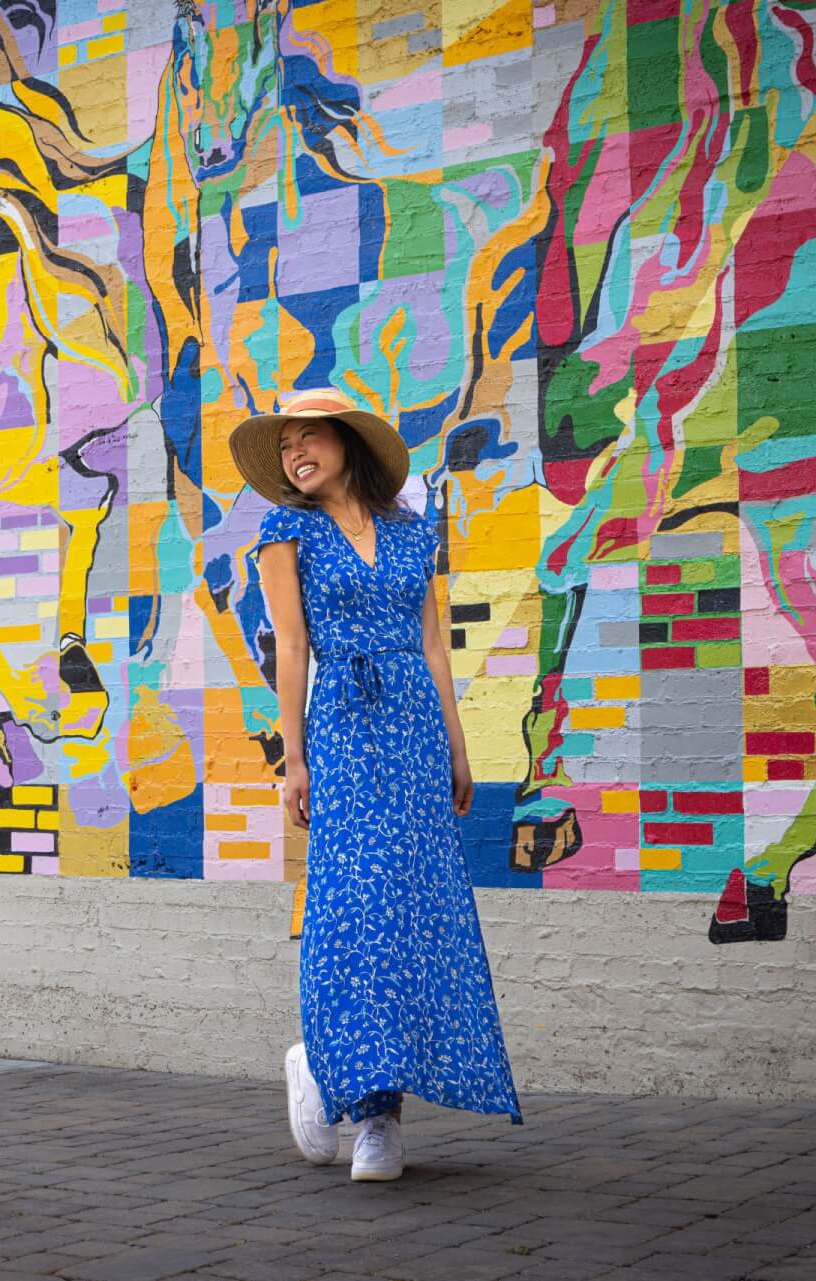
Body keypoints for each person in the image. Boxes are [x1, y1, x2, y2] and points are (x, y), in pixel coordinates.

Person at [232, 389, 523, 1183]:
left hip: (416, 734)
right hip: (343, 732)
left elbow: (432, 643)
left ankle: (371, 1095)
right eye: (285, 444)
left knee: (413, 909)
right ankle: (362, 1100)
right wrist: (294, 758)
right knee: (356, 905)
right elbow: (291, 647)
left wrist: (459, 746)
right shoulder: (285, 531)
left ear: (345, 442)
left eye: (307, 437)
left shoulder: (407, 532)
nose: (295, 452)